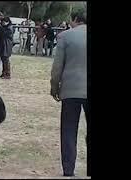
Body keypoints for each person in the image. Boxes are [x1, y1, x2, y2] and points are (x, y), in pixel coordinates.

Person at [50, 9, 89, 177]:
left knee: (68, 129)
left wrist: (54, 87)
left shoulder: (65, 36)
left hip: (71, 89)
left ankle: (68, 169)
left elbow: (57, 67)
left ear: (74, 19)